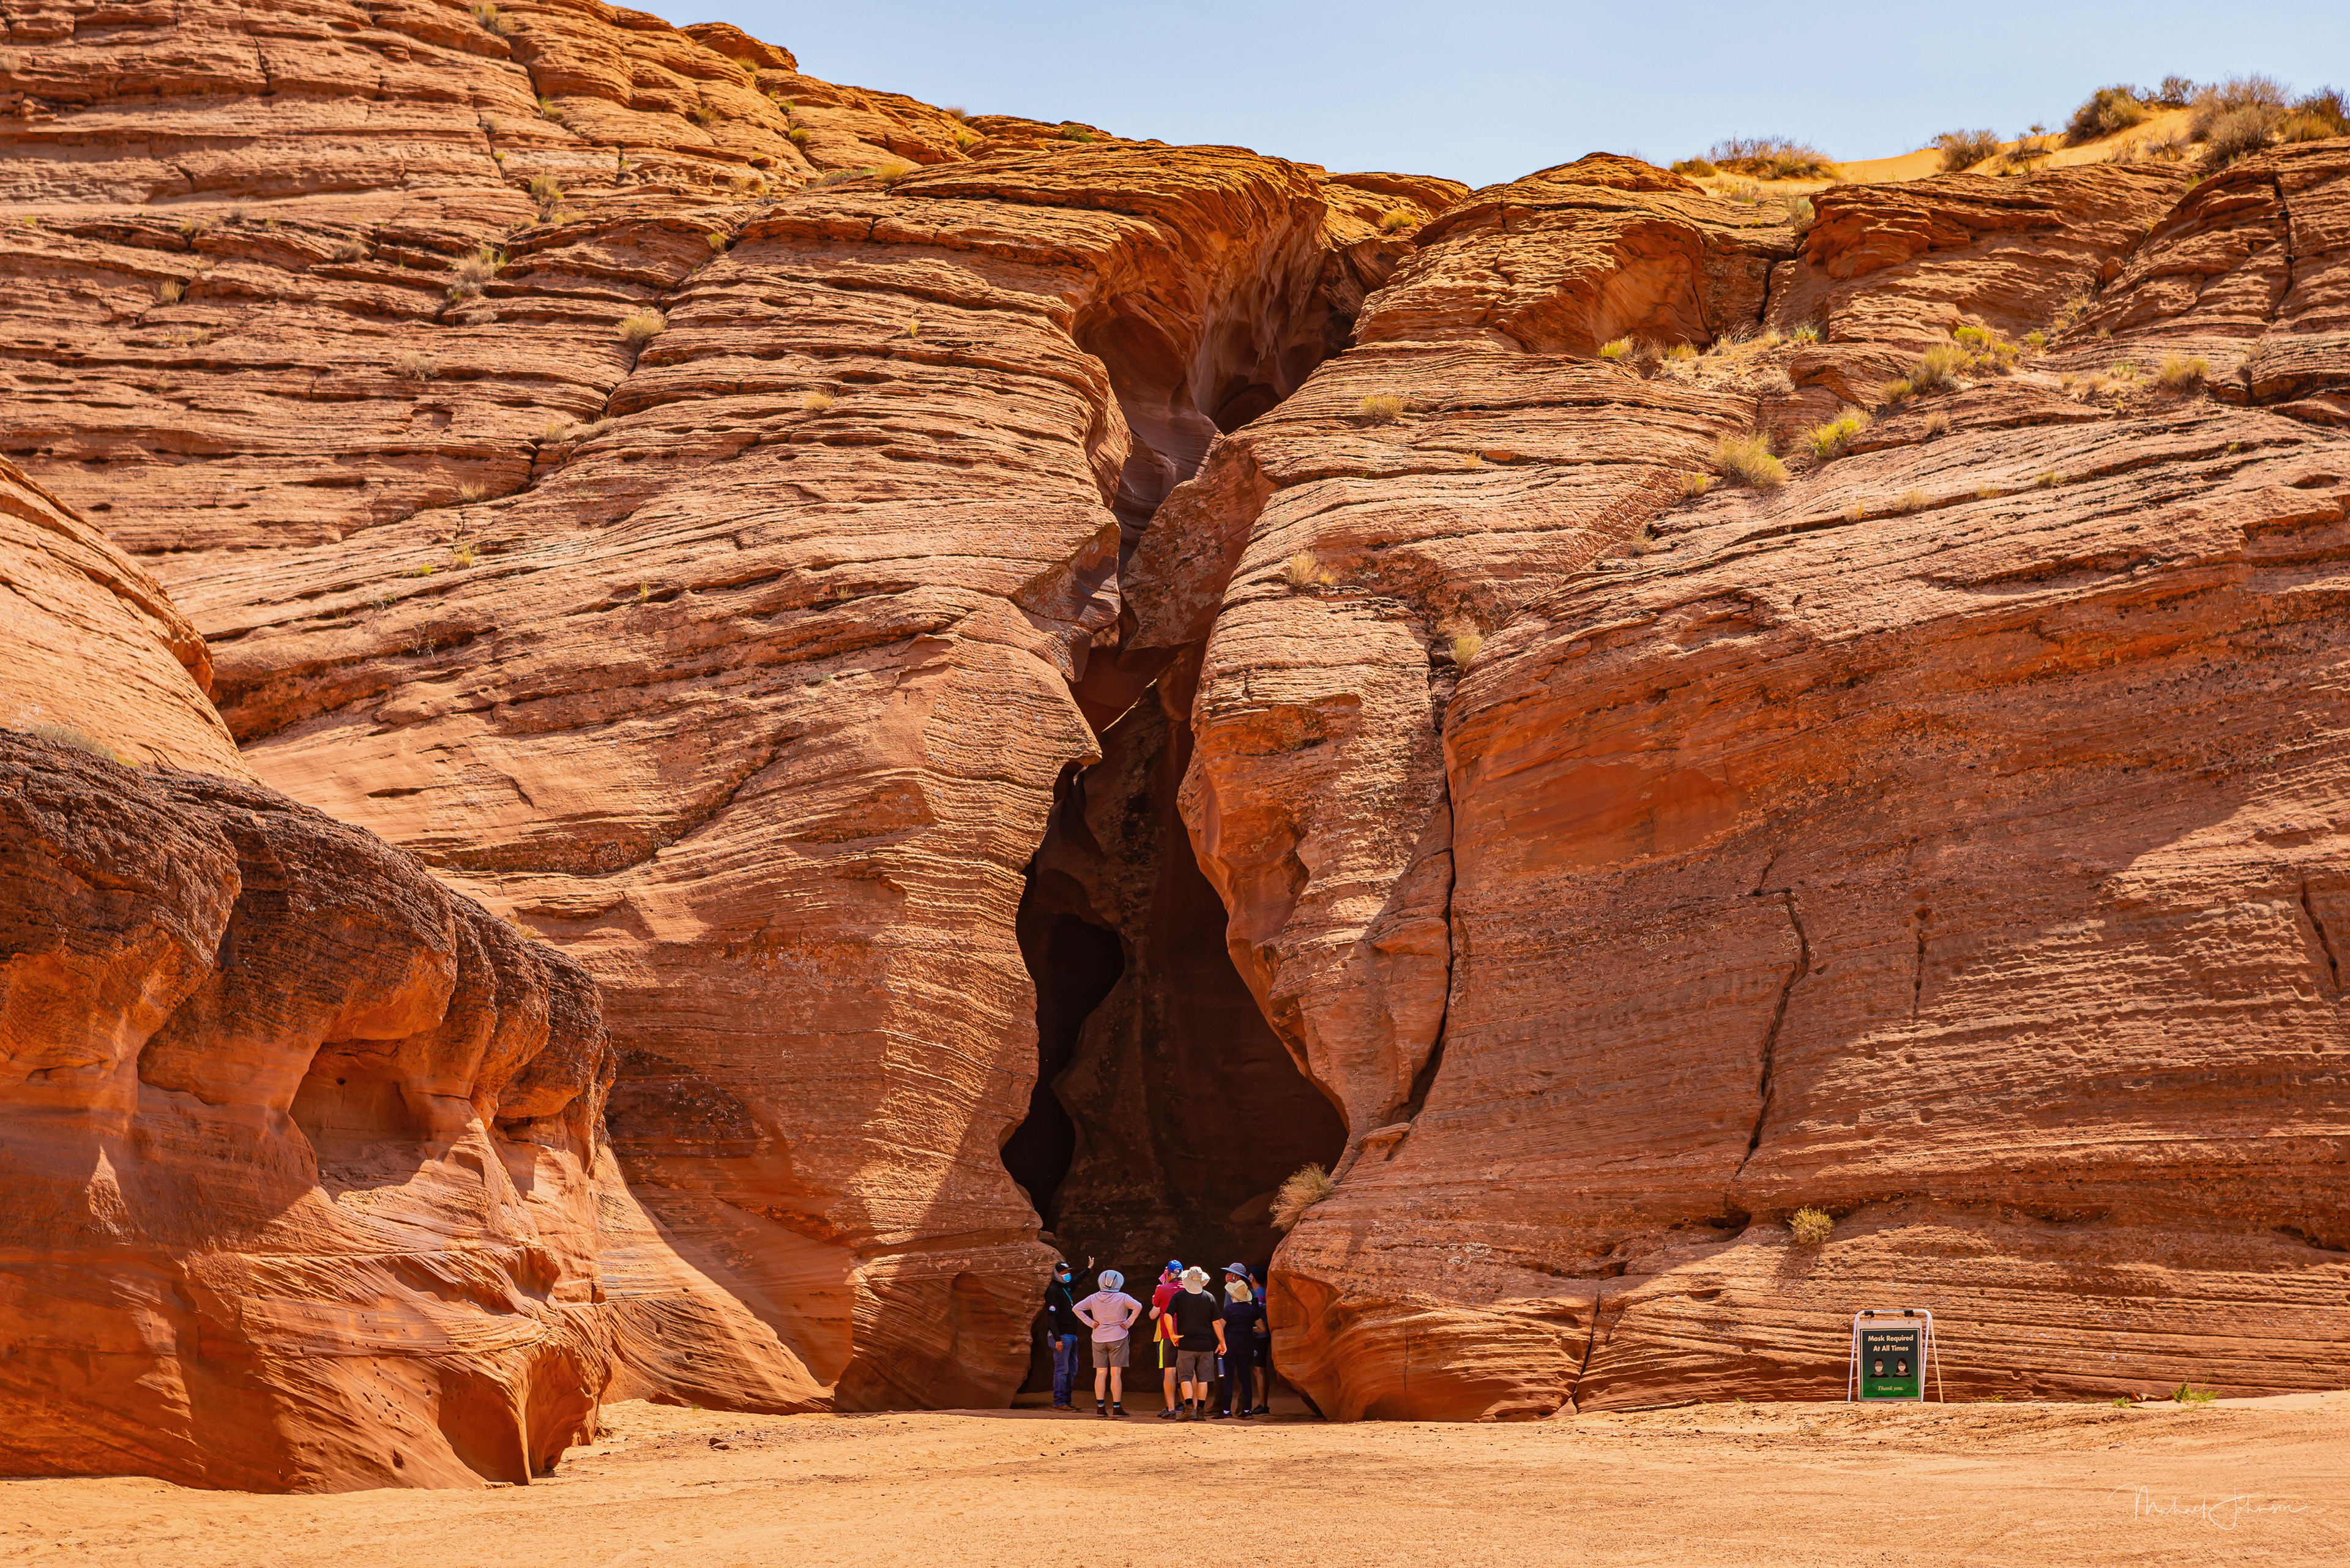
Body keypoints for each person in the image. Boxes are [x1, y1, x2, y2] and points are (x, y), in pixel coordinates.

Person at [1073, 1269, 1142, 1417]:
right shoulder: (1123, 1297)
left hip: (1098, 1338)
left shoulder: (1093, 1298)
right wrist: (1128, 1322)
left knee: (1100, 1373)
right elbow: (1138, 1306)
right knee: (1116, 1373)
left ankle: (1100, 1408)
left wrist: (1091, 1323)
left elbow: (1076, 1308)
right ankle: (1117, 1408)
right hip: (1118, 1337)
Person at [1166, 1265, 1226, 1421]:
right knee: (1203, 1379)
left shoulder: (1179, 1297)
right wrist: (1222, 1342)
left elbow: (1167, 1315)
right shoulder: (1209, 1297)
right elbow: (1216, 1323)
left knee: (1185, 1377)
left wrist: (1173, 1334)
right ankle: (1200, 1412)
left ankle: (1188, 1410)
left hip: (1186, 1344)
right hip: (1206, 1345)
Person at [1215, 1264, 1266, 1419]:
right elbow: (1262, 1328)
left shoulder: (1229, 1310)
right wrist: (1250, 1329)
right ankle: (1246, 1411)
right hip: (1247, 1346)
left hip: (1230, 1346)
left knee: (1228, 1378)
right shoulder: (1252, 1310)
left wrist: (1221, 1341)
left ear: (1234, 1295)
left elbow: (1220, 1326)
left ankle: (1226, 1411)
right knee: (1245, 1379)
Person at [1042, 1260, 1084, 1410]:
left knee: (1072, 1370)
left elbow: (1076, 1281)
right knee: (1062, 1369)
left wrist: (1089, 1270)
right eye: (1064, 1273)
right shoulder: (1053, 1290)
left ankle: (1066, 1401)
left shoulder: (1066, 1288)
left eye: (1068, 1273)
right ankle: (1059, 1402)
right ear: (1057, 1274)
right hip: (1061, 1337)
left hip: (1071, 1335)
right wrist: (1057, 1339)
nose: (1068, 1275)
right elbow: (1052, 1317)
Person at [1147, 1260, 1185, 1419]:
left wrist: (1160, 1291)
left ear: (1168, 1274)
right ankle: (1190, 1406)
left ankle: (1170, 1408)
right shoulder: (1189, 1288)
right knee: (1187, 1373)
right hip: (1186, 1335)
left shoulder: (1162, 1289)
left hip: (1166, 1336)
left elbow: (1152, 1314)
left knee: (1169, 1373)